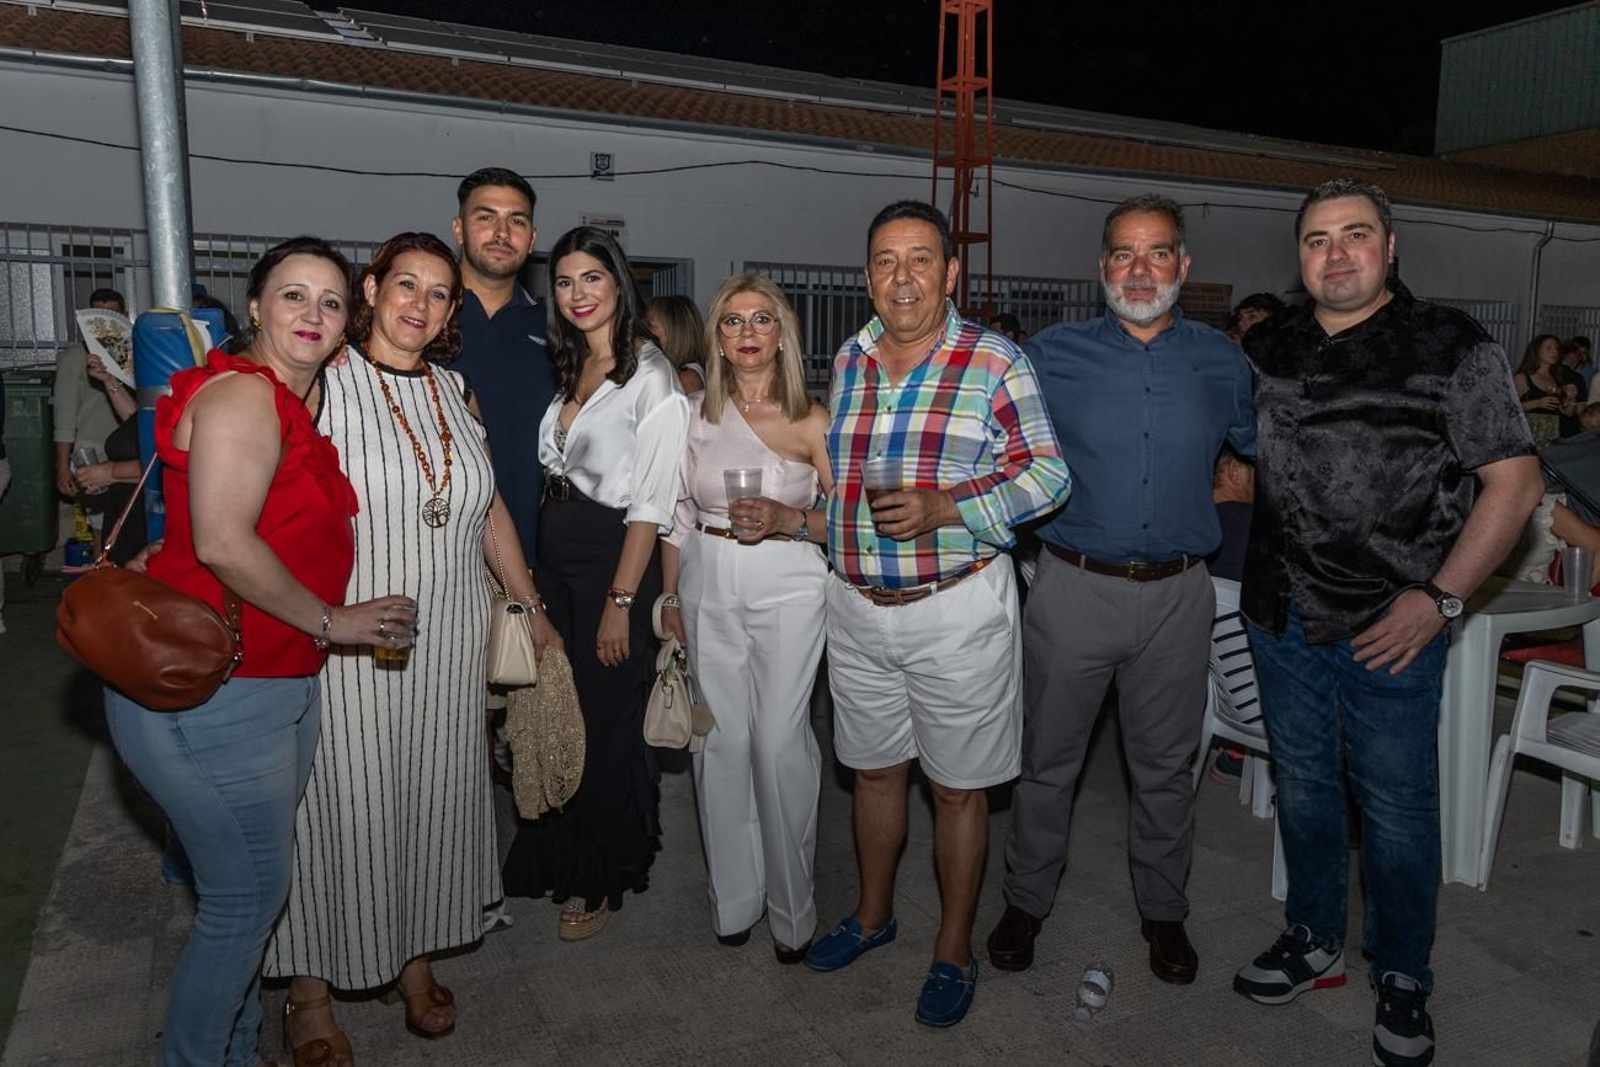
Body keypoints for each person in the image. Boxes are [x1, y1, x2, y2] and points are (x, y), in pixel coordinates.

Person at [1235, 178, 1540, 1067]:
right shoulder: (1270, 343)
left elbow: (1514, 484)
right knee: (1304, 784)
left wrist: (1440, 598)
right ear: (1299, 257)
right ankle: (1313, 935)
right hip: (1279, 611)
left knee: (1400, 808)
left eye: (1355, 235)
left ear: (1391, 246)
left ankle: (1403, 971)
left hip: (1390, 623)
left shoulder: (1451, 343)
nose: (1336, 253)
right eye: (1318, 239)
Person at [107, 238, 416, 1066]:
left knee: (245, 897)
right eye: (293, 296)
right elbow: (225, 543)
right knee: (243, 904)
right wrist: (334, 621)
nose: (312, 314)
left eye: (329, 301)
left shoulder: (289, 404)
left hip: (266, 681)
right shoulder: (247, 395)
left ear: (347, 323)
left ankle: (236, 1048)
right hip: (217, 686)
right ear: (253, 307)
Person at [262, 233, 559, 1064]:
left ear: (452, 309)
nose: (419, 303)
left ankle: (413, 954)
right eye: (406, 285)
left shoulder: (454, 389)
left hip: (452, 637)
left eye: (438, 291)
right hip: (353, 639)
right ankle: (310, 986)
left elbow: (490, 505)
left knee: (435, 798)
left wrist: (527, 602)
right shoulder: (324, 382)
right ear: (371, 289)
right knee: (339, 807)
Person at [804, 200, 1070, 1028]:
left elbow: (1049, 477)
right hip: (856, 607)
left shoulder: (994, 359)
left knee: (957, 792)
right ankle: (873, 915)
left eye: (921, 259)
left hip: (954, 608)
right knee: (874, 770)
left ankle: (952, 948)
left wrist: (948, 505)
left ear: (952, 272)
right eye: (886, 261)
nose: (903, 277)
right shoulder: (849, 359)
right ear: (867, 276)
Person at [987, 194, 1255, 987]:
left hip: (1179, 594)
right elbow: (993, 452)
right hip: (1072, 589)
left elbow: (1266, 452)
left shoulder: (1223, 360)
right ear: (1101, 266)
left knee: (1167, 768)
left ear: (1184, 266)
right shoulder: (1050, 355)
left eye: (1158, 253)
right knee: (1046, 762)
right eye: (1124, 254)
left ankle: (1164, 912)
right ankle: (1025, 899)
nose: (1141, 270)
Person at [501, 226, 690, 939]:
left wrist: (620, 603)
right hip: (556, 552)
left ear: (619, 284)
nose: (578, 294)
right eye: (567, 282)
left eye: (593, 279)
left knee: (607, 723)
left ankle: (602, 873)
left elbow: (652, 503)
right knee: (557, 705)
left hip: (616, 560)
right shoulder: (567, 364)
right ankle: (558, 849)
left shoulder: (654, 379)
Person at [658, 274, 831, 963]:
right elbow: (675, 515)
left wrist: (793, 519)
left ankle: (794, 912)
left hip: (788, 579)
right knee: (719, 741)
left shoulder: (813, 418)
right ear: (717, 338)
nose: (747, 332)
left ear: (781, 333)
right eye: (732, 321)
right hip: (706, 575)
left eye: (762, 319)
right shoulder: (693, 412)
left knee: (781, 743)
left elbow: (850, 522)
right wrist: (669, 597)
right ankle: (734, 899)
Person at [448, 167, 553, 572]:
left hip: (528, 560)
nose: (501, 232)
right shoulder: (422, 319)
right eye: (485, 216)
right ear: (459, 229)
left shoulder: (556, 329)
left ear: (532, 238)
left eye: (517, 220)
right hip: (431, 555)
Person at [54, 287, 127, 551]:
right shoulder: (74, 359)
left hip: (129, 452)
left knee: (129, 527)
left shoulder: (130, 356)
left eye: (113, 315)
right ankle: (104, 585)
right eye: (99, 314)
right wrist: (63, 466)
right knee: (102, 530)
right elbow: (64, 416)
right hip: (91, 454)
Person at [1515, 334, 1573, 448]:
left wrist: (1570, 398)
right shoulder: (1522, 377)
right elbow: (1510, 408)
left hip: (1552, 432)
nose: (1554, 352)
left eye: (1556, 348)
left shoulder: (1558, 377)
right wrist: (1537, 403)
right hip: (1529, 432)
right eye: (1548, 348)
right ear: (1536, 351)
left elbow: (1568, 412)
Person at [646, 294, 709, 393]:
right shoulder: (674, 372)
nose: (646, 331)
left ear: (674, 331)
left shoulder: (688, 378)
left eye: (650, 325)